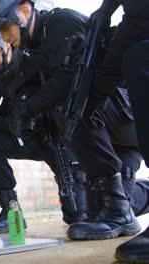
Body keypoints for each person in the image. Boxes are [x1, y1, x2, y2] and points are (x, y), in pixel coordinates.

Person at [0, 0, 147, 241]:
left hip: (125, 118)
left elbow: (67, 83)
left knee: (69, 107)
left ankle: (119, 210)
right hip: (108, 124)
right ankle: (118, 210)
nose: (5, 38)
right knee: (92, 213)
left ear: (25, 12)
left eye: (7, 29)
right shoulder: (38, 45)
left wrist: (27, 109)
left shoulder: (61, 24)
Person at [0, 31, 87, 234]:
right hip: (24, 137)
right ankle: (11, 212)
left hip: (56, 139)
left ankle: (129, 190)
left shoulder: (34, 59)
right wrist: (11, 124)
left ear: (6, 44)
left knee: (77, 217)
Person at [81, 0, 149, 262]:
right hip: (117, 139)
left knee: (139, 56)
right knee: (95, 210)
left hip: (127, 128)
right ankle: (120, 205)